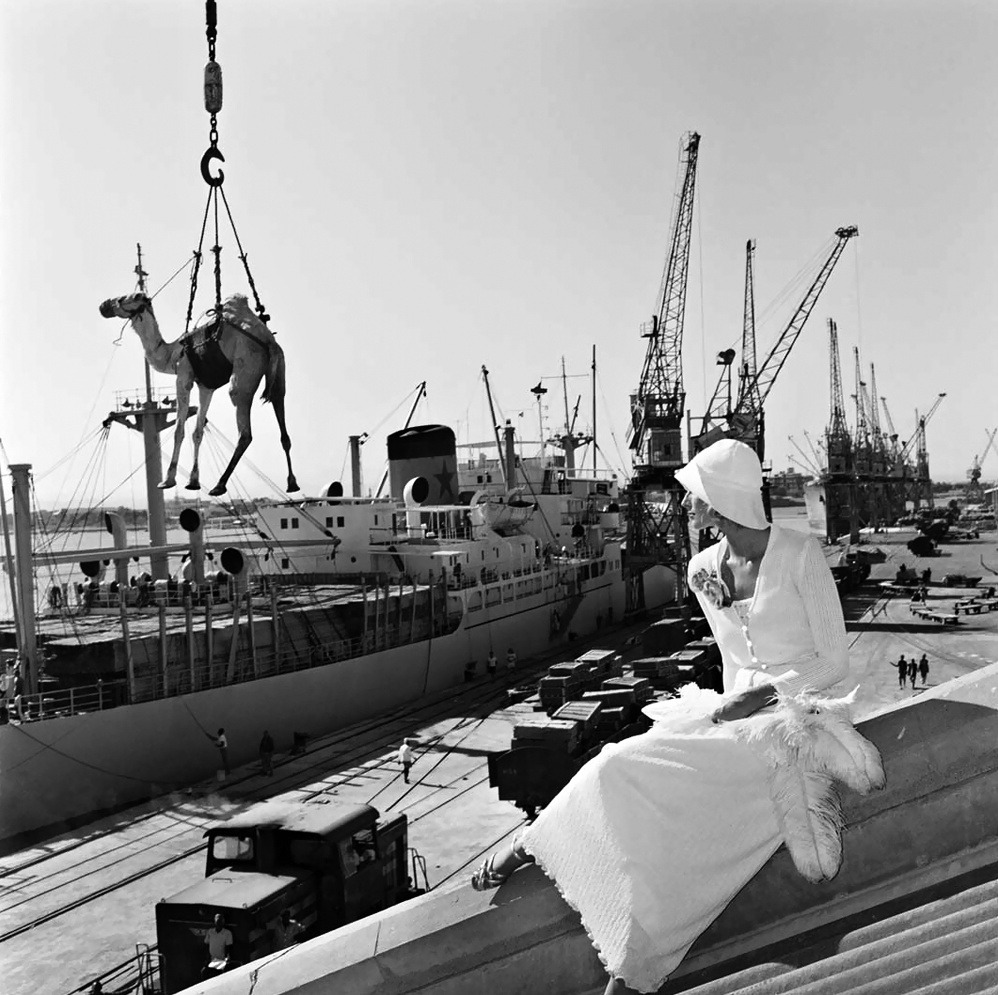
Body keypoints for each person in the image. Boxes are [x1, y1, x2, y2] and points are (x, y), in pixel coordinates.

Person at [469, 438, 853, 995]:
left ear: (720, 501)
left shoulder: (800, 553)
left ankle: (633, 967)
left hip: (797, 717)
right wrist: (724, 713)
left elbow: (834, 661)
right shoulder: (702, 568)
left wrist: (761, 699)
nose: (689, 504)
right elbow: (730, 659)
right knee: (614, 763)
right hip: (728, 714)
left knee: (685, 831)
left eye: (696, 494)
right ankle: (532, 843)